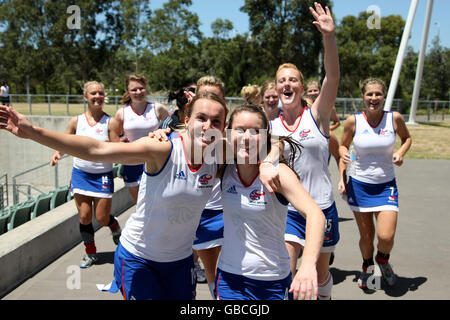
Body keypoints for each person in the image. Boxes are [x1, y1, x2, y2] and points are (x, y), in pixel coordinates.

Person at [0, 92, 280, 300]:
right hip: (139, 258)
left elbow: (274, 141)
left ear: (223, 128)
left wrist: (268, 161)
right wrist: (33, 132)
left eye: (216, 121)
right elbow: (97, 150)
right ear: (186, 120)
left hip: (180, 263)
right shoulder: (162, 148)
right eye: (201, 118)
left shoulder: (220, 153)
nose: (208, 126)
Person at [216, 104, 325, 300]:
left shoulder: (278, 173)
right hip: (229, 278)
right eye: (239, 130)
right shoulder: (224, 166)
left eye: (256, 131)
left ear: (266, 136)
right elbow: (192, 141)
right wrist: (165, 129)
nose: (247, 137)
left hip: (272, 280)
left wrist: (308, 264)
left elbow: (316, 215)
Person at [269, 2, 340, 300]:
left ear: (301, 87)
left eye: (293, 79)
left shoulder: (317, 115)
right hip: (289, 210)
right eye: (282, 80)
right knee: (288, 270)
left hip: (322, 207)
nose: (288, 84)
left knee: (319, 275)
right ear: (276, 87)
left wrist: (328, 38)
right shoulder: (269, 125)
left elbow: (332, 77)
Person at [338, 78, 412, 289]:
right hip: (359, 185)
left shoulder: (394, 119)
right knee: (367, 236)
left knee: (386, 237)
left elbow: (407, 138)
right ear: (363, 97)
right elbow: (343, 145)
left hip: (386, 185)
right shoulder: (354, 121)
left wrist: (400, 152)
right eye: (369, 94)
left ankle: (383, 259)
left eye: (378, 94)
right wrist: (344, 156)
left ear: (384, 96)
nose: (374, 98)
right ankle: (368, 268)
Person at [49, 81, 122, 268]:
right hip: (80, 174)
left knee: (102, 217)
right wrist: (58, 153)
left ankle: (114, 226)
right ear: (85, 97)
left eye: (100, 93)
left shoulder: (110, 122)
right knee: (84, 216)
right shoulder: (76, 121)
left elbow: (117, 149)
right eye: (93, 93)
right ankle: (91, 253)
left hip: (102, 176)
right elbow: (66, 142)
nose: (97, 96)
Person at [110, 73, 169, 203]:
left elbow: (173, 126)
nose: (138, 92)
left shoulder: (157, 108)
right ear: (128, 92)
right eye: (134, 89)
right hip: (131, 162)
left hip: (155, 160)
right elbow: (115, 136)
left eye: (141, 88)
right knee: (140, 204)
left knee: (158, 201)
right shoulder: (121, 113)